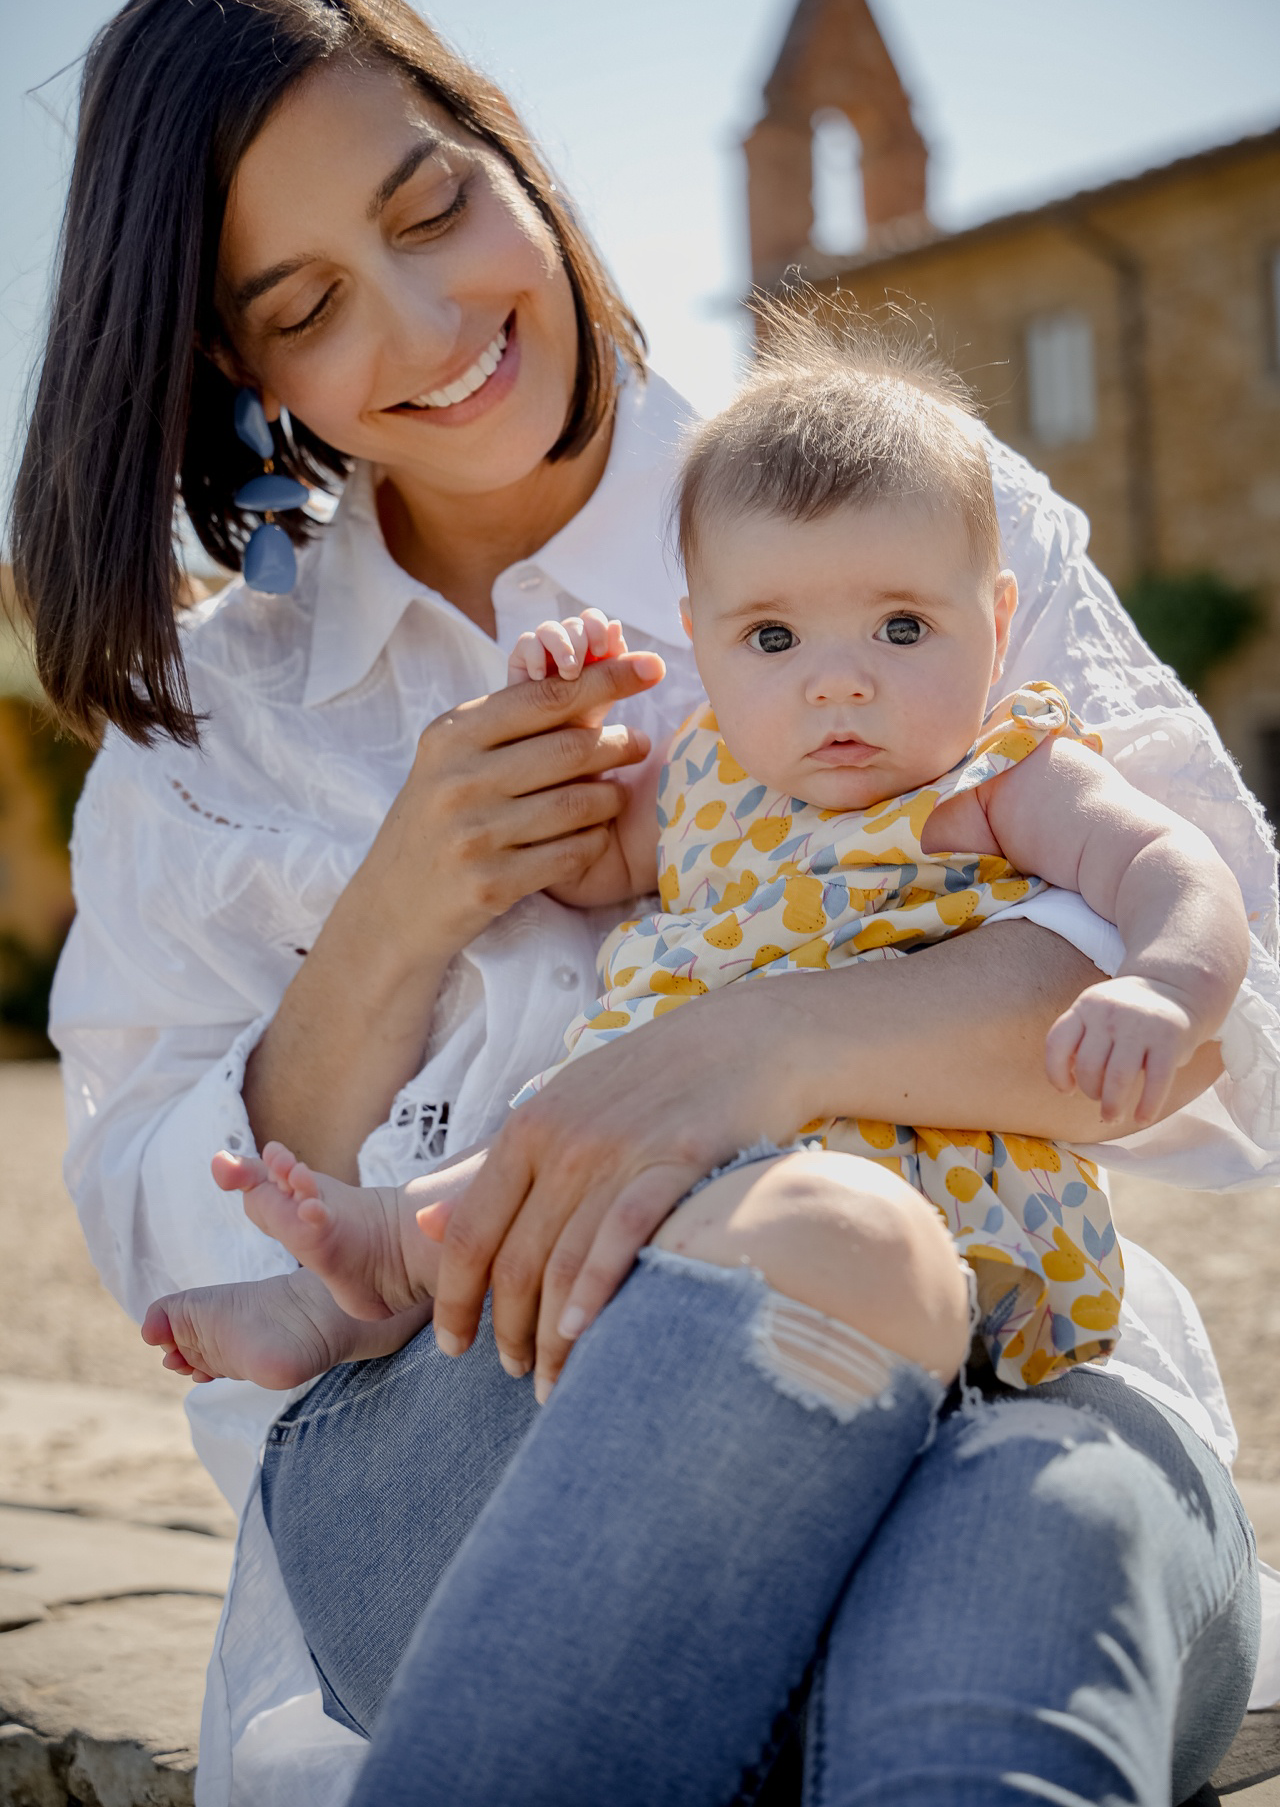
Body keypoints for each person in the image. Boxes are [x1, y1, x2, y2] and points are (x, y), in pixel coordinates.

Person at [12, 0, 1278, 1807]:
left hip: (1027, 1385)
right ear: (232, 358)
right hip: (462, 1464)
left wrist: (748, 1056)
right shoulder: (222, 720)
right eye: (308, 306)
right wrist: (389, 931)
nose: (426, 329)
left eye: (435, 210)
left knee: (1030, 1524)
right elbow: (162, 1247)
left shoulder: (901, 515)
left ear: (514, 150)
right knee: (846, 1274)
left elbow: (1231, 1025)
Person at [144, 321, 1252, 1410]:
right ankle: (364, 1280)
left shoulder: (999, 777)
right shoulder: (703, 776)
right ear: (700, 637)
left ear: (995, 622)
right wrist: (554, 713)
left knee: (604, 1185)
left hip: (914, 1192)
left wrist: (1162, 985)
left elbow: (1174, 868)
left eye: (901, 628)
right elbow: (583, 863)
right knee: (543, 1161)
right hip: (665, 1160)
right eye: (772, 639)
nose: (838, 683)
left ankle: (390, 1264)